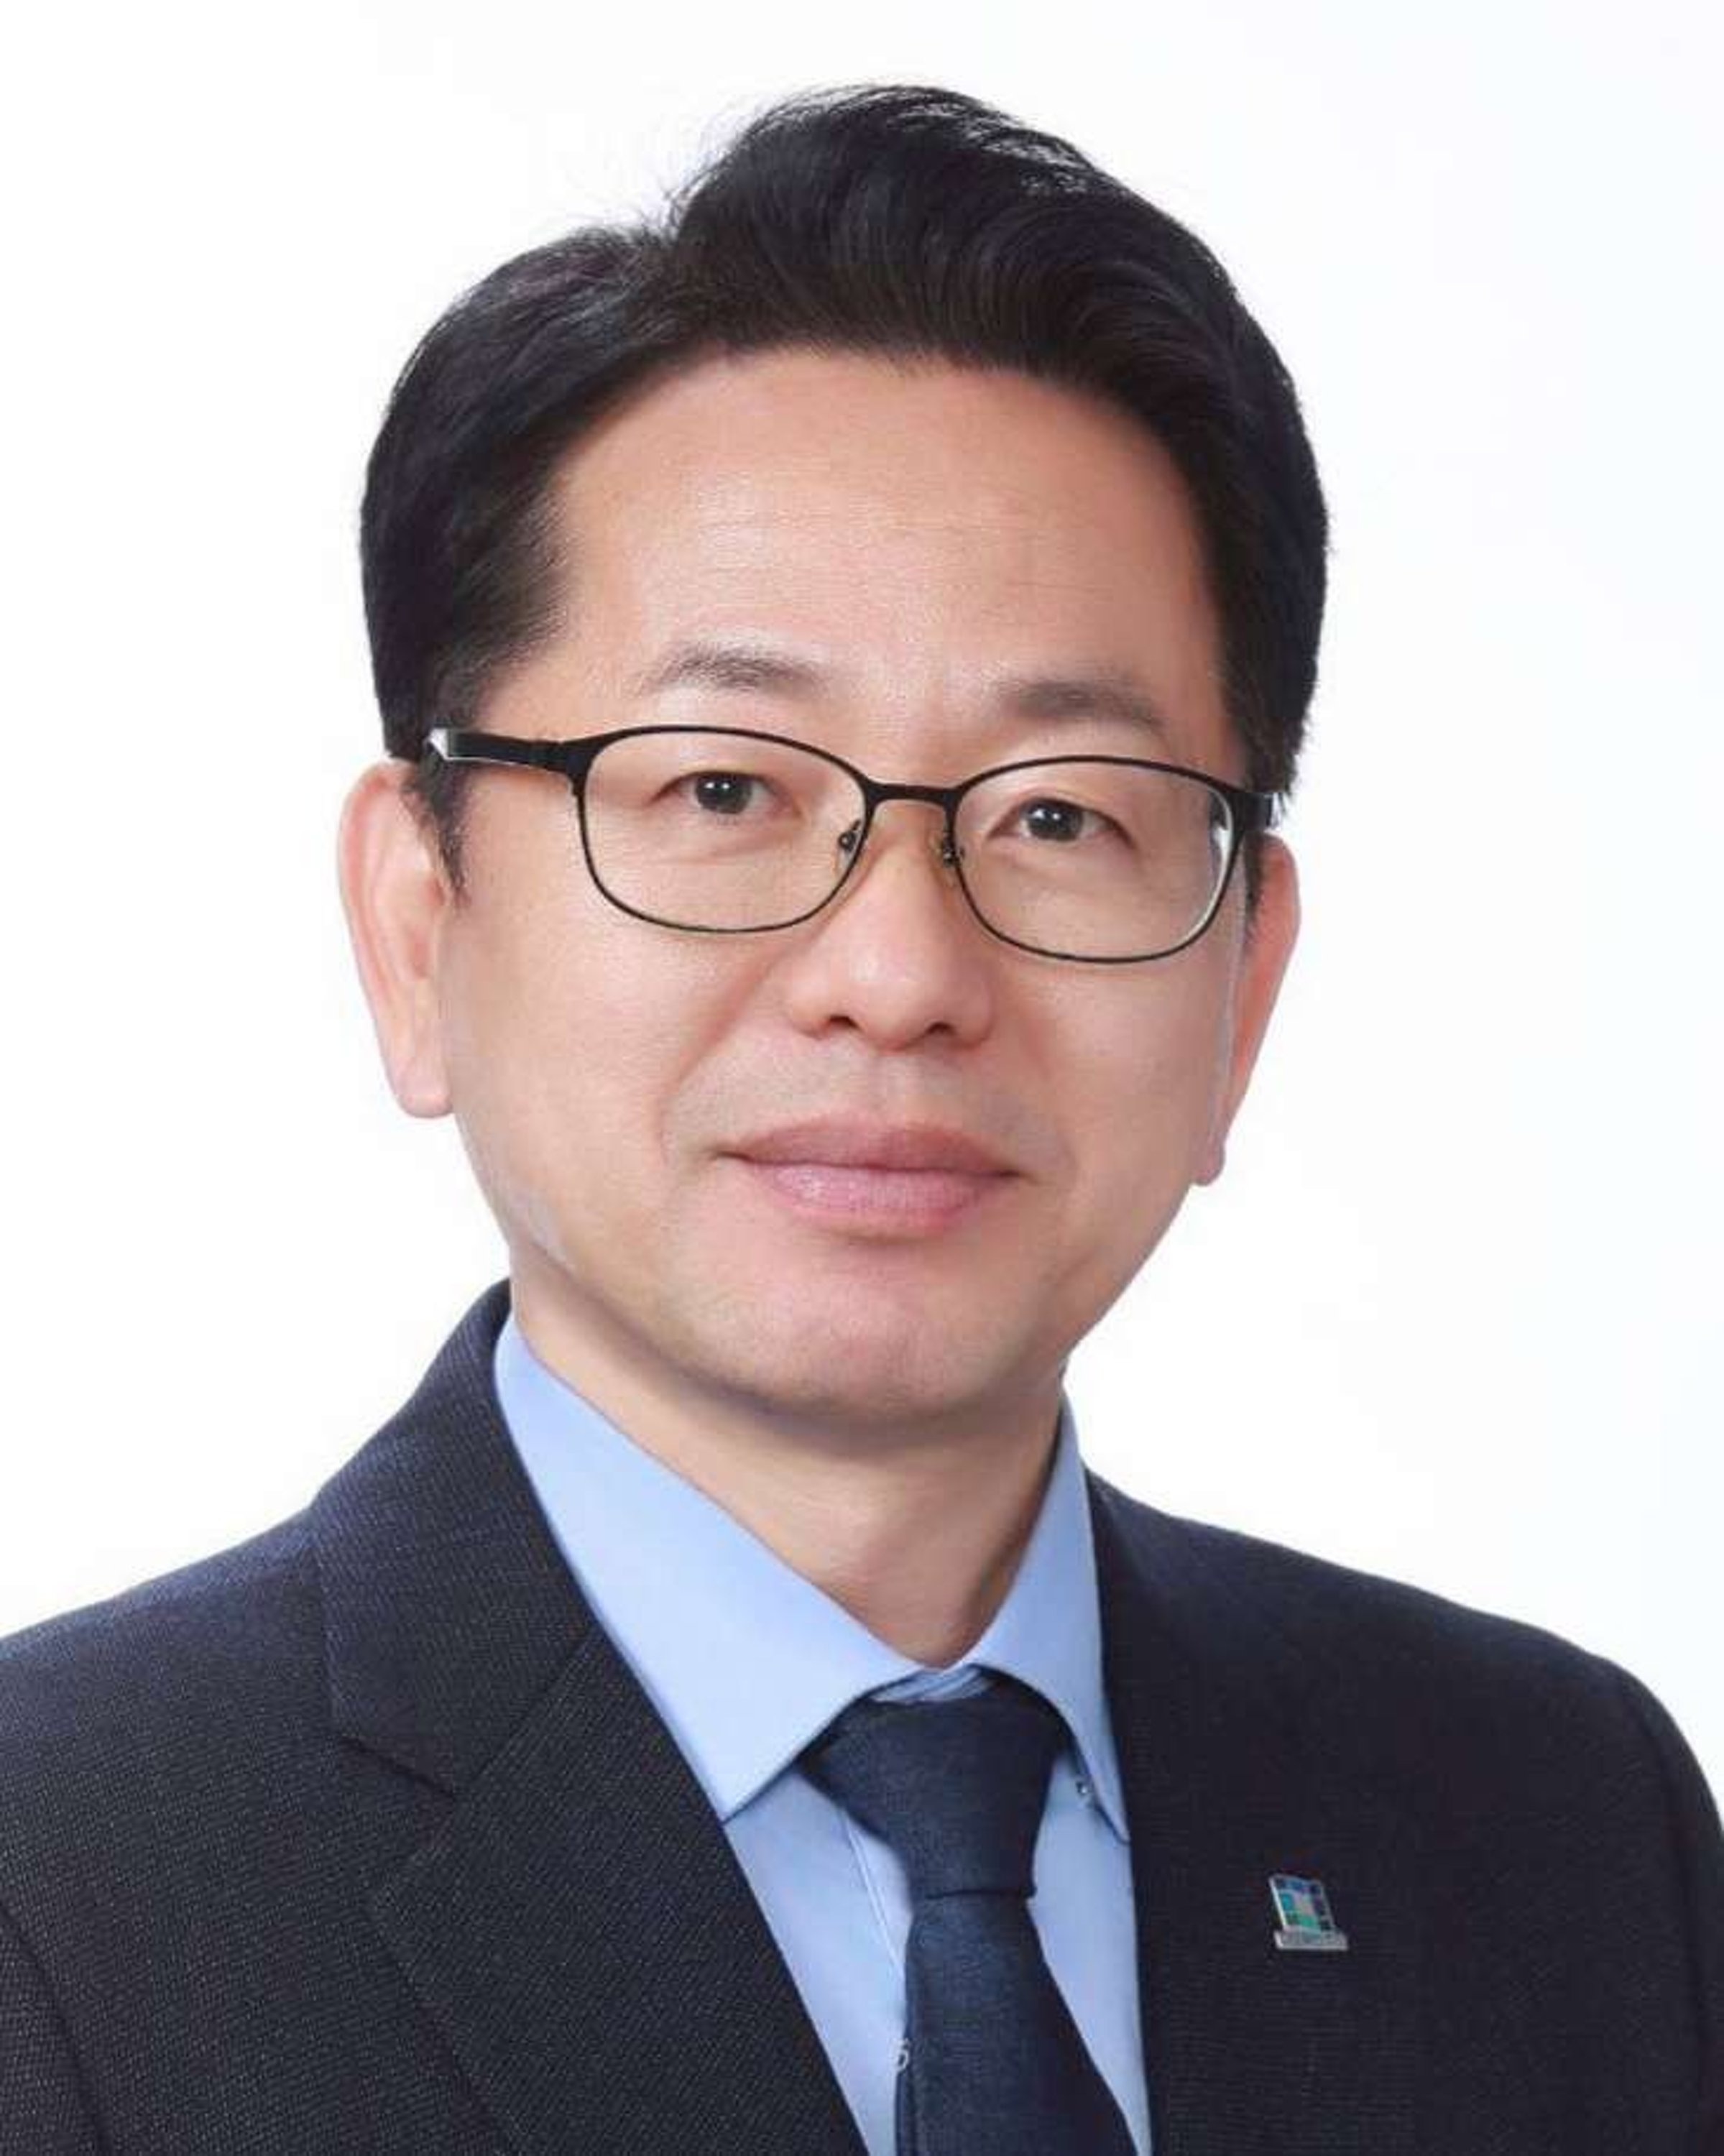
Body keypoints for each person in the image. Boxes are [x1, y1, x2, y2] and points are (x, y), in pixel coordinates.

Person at [1, 80, 1718, 2156]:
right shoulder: (58, 1883)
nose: (899, 973)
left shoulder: (1562, 1826)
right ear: (417, 922)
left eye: (1063, 817)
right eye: (724, 787)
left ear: (1245, 981)